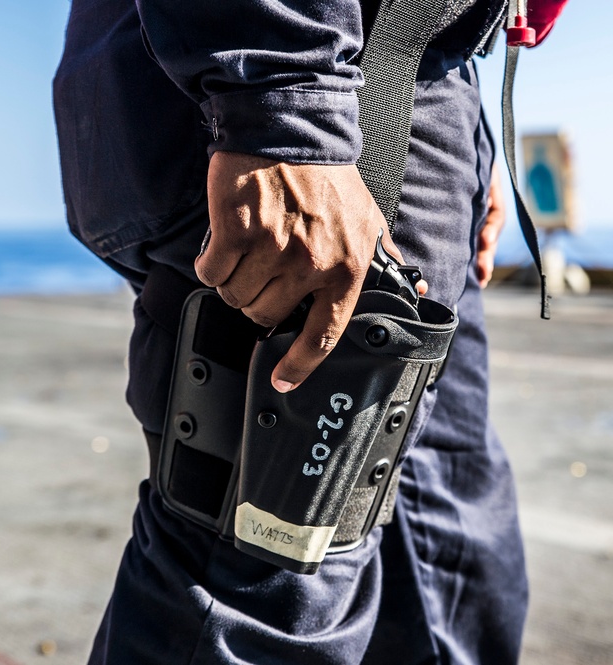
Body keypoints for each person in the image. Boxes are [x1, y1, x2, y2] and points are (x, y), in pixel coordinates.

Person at [53, 1, 544, 663]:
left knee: (443, 545)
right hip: (320, 76)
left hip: (392, 79)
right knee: (269, 581)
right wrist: (283, 108)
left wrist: (464, 140)